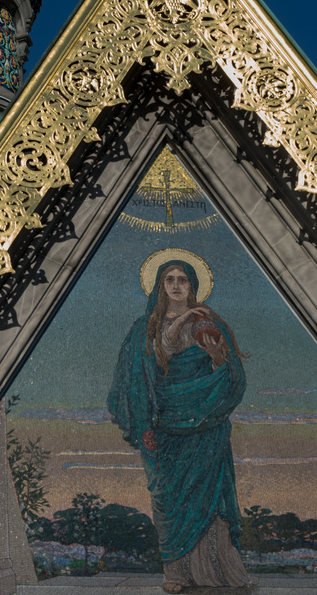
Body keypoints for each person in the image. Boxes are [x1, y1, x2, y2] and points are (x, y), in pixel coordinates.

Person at [108, 249, 254, 593]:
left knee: (209, 499)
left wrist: (218, 358)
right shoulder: (144, 329)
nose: (175, 285)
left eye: (182, 279)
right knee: (168, 498)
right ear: (159, 287)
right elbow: (138, 377)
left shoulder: (209, 323)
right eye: (169, 280)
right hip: (164, 427)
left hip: (205, 428)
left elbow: (232, 375)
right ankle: (175, 573)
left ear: (193, 285)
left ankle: (221, 572)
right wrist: (182, 319)